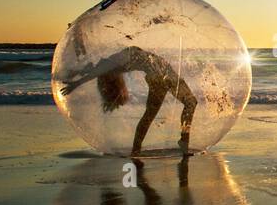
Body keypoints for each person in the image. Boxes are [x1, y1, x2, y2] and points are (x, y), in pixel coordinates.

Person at [59, 46, 197, 155]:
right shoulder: (111, 63)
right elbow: (95, 71)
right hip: (160, 76)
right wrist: (76, 84)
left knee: (156, 113)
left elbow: (93, 70)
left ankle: (139, 148)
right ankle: (181, 141)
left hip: (163, 74)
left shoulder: (113, 62)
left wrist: (77, 75)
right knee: (186, 104)